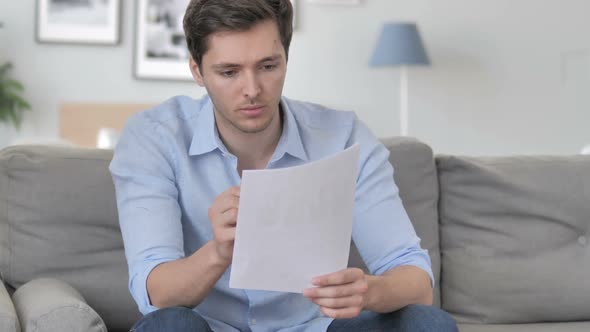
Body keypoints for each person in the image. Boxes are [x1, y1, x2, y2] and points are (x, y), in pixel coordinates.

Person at [109, 0, 458, 331]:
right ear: (197, 71)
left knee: (428, 324)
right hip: (208, 327)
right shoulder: (154, 138)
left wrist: (370, 291)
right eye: (229, 72)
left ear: (286, 59)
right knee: (169, 325)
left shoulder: (343, 136)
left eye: (268, 66)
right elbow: (156, 293)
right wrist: (218, 253)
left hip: (317, 326)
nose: (252, 89)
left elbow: (416, 281)